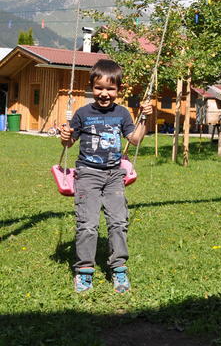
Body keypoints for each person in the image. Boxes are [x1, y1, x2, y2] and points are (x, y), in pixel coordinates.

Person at [60, 59, 153, 293]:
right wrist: (65, 136)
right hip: (87, 174)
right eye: (99, 88)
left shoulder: (122, 113)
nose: (104, 93)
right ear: (91, 87)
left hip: (113, 175)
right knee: (88, 225)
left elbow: (135, 139)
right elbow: (69, 142)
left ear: (118, 90)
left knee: (118, 223)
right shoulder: (82, 113)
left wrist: (145, 118)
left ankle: (119, 268)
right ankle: (84, 271)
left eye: (110, 89)